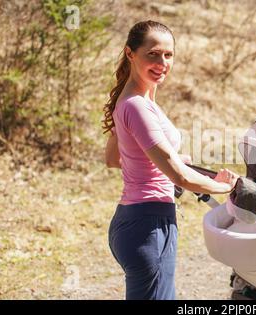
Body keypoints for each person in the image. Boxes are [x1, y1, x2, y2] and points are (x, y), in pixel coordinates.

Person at [102, 20, 238, 300]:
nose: (162, 62)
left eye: (168, 54)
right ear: (131, 54)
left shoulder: (133, 101)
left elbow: (114, 158)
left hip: (130, 222)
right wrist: (225, 187)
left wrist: (167, 159)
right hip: (149, 226)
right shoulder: (137, 106)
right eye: (153, 53)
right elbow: (181, 177)